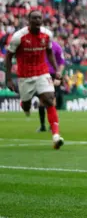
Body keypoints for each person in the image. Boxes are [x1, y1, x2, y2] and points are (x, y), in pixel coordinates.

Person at [5, 10, 64, 149]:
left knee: (50, 99)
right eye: (35, 18)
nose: (38, 20)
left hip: (42, 73)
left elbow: (49, 52)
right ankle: (24, 105)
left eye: (40, 18)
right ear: (29, 21)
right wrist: (8, 79)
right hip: (25, 76)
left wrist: (56, 71)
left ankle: (56, 136)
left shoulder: (47, 35)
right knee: (26, 105)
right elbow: (8, 57)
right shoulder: (19, 37)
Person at [34, 40, 65, 132]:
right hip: (41, 75)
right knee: (41, 101)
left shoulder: (56, 46)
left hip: (52, 75)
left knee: (52, 101)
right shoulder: (38, 45)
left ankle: (53, 125)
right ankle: (42, 125)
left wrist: (58, 77)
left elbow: (61, 63)